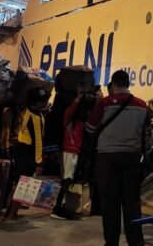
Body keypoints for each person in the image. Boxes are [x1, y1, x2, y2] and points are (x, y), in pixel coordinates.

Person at [85, 70, 149, 246]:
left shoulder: (104, 103)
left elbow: (90, 128)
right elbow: (147, 133)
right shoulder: (142, 105)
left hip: (107, 158)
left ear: (113, 84)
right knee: (132, 203)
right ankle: (136, 242)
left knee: (110, 203)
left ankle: (112, 242)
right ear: (128, 83)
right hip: (132, 157)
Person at [52, 86, 99, 220]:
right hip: (70, 149)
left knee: (71, 180)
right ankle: (57, 209)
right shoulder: (72, 116)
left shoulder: (83, 117)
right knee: (67, 180)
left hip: (76, 151)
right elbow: (69, 112)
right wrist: (78, 99)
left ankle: (65, 208)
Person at [6, 86, 50, 219]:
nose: (46, 103)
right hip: (27, 154)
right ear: (36, 102)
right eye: (43, 101)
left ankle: (10, 212)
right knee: (22, 185)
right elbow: (38, 141)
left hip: (20, 151)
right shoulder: (35, 117)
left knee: (18, 183)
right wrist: (39, 162)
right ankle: (11, 214)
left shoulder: (26, 112)